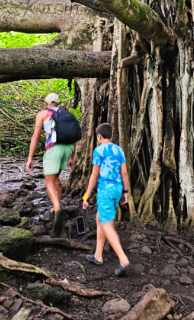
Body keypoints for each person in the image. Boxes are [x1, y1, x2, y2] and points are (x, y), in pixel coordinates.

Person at [82, 122, 131, 276]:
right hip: (117, 189)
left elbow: (94, 175)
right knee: (100, 218)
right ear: (111, 136)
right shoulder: (119, 150)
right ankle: (98, 255)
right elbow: (124, 173)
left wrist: (86, 196)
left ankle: (123, 259)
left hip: (105, 191)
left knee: (106, 224)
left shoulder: (99, 150)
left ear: (99, 136)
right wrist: (125, 192)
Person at [25, 92, 74, 236]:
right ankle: (55, 209)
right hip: (67, 147)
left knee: (49, 182)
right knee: (56, 179)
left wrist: (30, 158)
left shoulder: (42, 114)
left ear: (47, 102)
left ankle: (58, 208)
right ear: (57, 103)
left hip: (54, 148)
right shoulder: (66, 113)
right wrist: (72, 157)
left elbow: (35, 136)